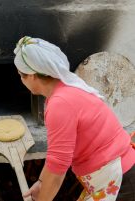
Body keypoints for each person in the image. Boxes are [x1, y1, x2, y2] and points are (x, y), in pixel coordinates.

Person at [13, 36, 135, 201]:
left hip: (121, 178)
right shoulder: (66, 90)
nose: (21, 80)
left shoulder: (60, 104)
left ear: (33, 76)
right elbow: (55, 156)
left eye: (21, 75)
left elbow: (58, 168)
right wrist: (41, 183)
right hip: (115, 174)